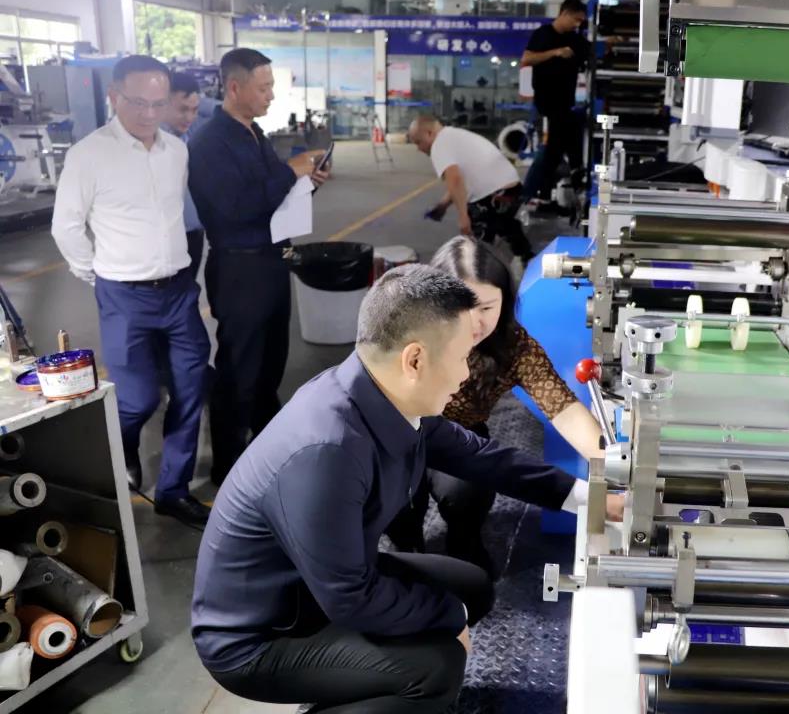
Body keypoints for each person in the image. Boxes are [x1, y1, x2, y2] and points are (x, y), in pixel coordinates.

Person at [191, 264, 622, 712]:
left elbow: (481, 456)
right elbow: (349, 599)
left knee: (471, 587)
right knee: (436, 668)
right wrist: (449, 619)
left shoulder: (381, 393)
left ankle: (357, 683)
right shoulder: (326, 450)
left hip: (319, 582)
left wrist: (592, 499)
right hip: (263, 635)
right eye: (461, 358)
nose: (465, 375)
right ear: (414, 360)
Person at [50, 55, 211, 526]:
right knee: (138, 398)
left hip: (178, 291)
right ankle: (120, 451)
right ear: (114, 96)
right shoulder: (89, 155)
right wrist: (96, 274)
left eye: (159, 104)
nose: (149, 113)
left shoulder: (175, 150)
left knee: (190, 389)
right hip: (123, 295)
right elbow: (66, 227)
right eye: (138, 102)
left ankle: (174, 491)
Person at [387, 237, 604, 573]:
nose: (475, 323)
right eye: (461, 308)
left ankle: (465, 550)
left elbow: (562, 408)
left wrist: (609, 462)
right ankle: (406, 552)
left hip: (461, 436)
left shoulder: (513, 345)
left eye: (487, 308)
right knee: (396, 503)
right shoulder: (406, 334)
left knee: (467, 494)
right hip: (400, 434)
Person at [187, 48, 329, 486]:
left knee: (269, 367)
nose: (271, 96)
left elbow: (271, 197)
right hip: (240, 271)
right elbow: (236, 209)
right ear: (235, 87)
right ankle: (228, 468)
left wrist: (305, 182)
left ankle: (270, 450)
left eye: (271, 87)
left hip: (270, 263)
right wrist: (289, 172)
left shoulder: (254, 132)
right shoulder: (210, 143)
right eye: (263, 88)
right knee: (239, 372)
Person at [408, 114, 534, 262]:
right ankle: (527, 257)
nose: (419, 148)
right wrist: (443, 205)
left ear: (429, 133)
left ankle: (479, 271)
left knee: (476, 244)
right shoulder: (453, 135)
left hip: (494, 195)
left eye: (418, 142)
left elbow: (455, 180)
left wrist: (463, 217)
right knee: (505, 224)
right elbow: (463, 180)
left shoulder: (439, 145)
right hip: (512, 190)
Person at [521, 0, 589, 201]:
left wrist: (612, 42)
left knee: (558, 148)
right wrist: (555, 53)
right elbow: (527, 58)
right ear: (565, 13)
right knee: (551, 149)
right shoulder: (543, 34)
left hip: (565, 104)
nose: (577, 24)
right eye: (576, 19)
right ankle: (529, 194)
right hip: (546, 103)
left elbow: (594, 50)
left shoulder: (574, 39)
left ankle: (543, 193)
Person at [162, 71, 206, 275]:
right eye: (182, 109)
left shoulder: (187, 135)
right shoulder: (153, 143)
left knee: (188, 290)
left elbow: (218, 109)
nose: (189, 117)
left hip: (193, 234)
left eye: (194, 109)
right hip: (168, 240)